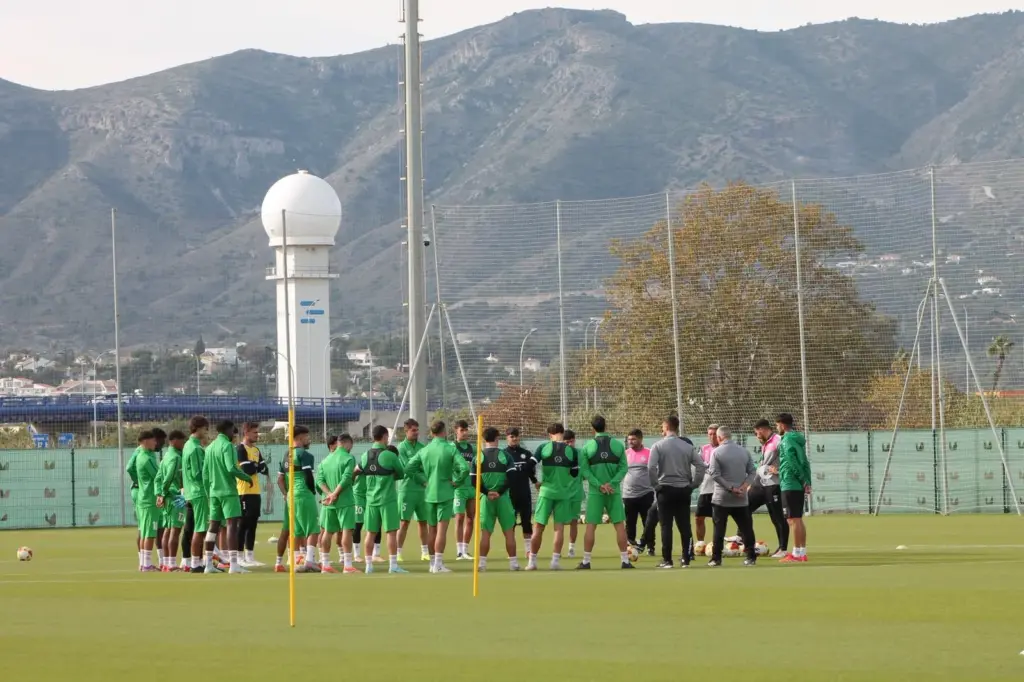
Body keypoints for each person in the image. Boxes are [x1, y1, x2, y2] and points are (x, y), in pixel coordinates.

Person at [405, 420, 469, 573]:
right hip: (445, 492)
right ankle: (438, 564)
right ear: (444, 432)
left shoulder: (425, 450)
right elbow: (465, 468)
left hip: (429, 493)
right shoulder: (450, 449)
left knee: (431, 529)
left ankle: (432, 564)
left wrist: (423, 480)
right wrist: (457, 482)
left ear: (432, 433)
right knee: (441, 530)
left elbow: (408, 468)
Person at [648, 416, 705, 568]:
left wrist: (656, 485)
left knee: (666, 526)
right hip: (683, 490)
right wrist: (694, 485)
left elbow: (651, 467)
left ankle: (667, 560)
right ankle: (686, 559)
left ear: (666, 427)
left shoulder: (658, 446)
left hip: (665, 489)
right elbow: (701, 466)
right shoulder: (687, 446)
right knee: (685, 525)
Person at [577, 416, 632, 570]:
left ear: (592, 429)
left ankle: (586, 561)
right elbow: (624, 468)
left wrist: (599, 485)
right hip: (613, 492)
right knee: (619, 525)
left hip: (596, 492)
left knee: (591, 526)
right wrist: (611, 484)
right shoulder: (618, 445)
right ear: (605, 426)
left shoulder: (587, 447)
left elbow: (585, 471)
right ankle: (625, 561)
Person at [527, 423, 580, 571]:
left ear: (550, 435)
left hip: (546, 492)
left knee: (538, 527)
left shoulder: (543, 447)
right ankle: (555, 561)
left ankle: (532, 562)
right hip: (563, 493)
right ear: (562, 433)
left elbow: (528, 466)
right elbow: (575, 473)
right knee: (559, 528)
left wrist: (535, 481)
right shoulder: (572, 451)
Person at [202, 420, 252, 574]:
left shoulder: (209, 448)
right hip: (228, 492)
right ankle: (234, 565)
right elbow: (231, 468)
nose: (234, 433)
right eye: (233, 430)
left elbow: (205, 474)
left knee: (213, 527)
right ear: (228, 430)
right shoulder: (228, 446)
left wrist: (208, 493)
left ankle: (208, 564)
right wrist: (246, 477)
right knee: (231, 525)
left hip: (213, 492)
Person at [355, 425, 406, 574]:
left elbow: (358, 471)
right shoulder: (390, 456)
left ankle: (368, 566)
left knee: (370, 533)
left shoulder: (365, 456)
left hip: (371, 501)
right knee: (391, 533)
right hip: (387, 500)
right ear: (384, 436)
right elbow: (401, 473)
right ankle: (393, 566)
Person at [706, 426, 757, 567]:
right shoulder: (744, 451)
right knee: (746, 528)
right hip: (741, 497)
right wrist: (744, 487)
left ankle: (716, 558)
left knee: (719, 529)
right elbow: (752, 472)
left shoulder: (717, 452)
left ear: (719, 437)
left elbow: (714, 474)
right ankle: (751, 557)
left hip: (722, 497)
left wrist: (730, 488)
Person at [472, 427, 520, 571]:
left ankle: (482, 564)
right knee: (509, 533)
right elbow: (512, 478)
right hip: (503, 498)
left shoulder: (478, 457)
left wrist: (487, 492)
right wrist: (499, 492)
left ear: (483, 439)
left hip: (485, 500)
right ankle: (513, 564)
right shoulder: (506, 456)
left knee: (485, 533)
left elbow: (474, 481)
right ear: (497, 438)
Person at [315, 434, 358, 574]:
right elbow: (346, 478)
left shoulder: (325, 461)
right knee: (347, 531)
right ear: (347, 443)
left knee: (327, 532)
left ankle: (325, 565)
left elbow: (319, 480)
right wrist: (335, 494)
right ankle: (348, 565)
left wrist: (329, 494)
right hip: (345, 501)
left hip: (329, 502)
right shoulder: (349, 458)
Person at [750, 419, 789, 558]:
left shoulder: (778, 440)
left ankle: (783, 548)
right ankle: (742, 539)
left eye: (757, 433)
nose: (757, 436)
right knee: (744, 508)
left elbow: (789, 457)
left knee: (777, 517)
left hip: (774, 485)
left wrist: (779, 469)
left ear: (762, 429)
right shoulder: (766, 444)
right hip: (760, 484)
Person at [776, 413, 812, 563]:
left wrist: (802, 479)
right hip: (796, 483)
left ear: (782, 425)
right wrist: (807, 480)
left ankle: (796, 554)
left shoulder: (786, 440)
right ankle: (801, 552)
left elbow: (792, 462)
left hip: (789, 482)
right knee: (797, 519)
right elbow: (804, 461)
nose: (777, 428)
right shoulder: (797, 439)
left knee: (792, 520)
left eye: (777, 425)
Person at [288, 425, 322, 573]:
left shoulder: (287, 454)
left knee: (297, 530)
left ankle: (296, 560)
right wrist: (313, 490)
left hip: (291, 494)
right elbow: (308, 476)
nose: (309, 439)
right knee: (313, 528)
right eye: (307, 437)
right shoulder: (305, 454)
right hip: (303, 493)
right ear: (300, 438)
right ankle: (309, 561)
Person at [396, 418, 430, 563]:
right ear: (406, 431)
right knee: (404, 522)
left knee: (423, 522)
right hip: (407, 490)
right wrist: (423, 480)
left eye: (417, 430)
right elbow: (407, 469)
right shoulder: (401, 448)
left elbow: (425, 467)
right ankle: (397, 553)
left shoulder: (423, 447)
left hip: (422, 491)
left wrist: (422, 475)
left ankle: (425, 552)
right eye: (413, 430)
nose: (416, 433)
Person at [236, 421, 268, 567]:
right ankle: (239, 557)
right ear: (246, 433)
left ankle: (250, 557)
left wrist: (254, 465)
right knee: (242, 524)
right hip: (243, 491)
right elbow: (247, 470)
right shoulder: (240, 449)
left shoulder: (255, 450)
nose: (257, 435)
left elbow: (265, 469)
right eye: (255, 432)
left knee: (253, 524)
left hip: (255, 492)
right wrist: (256, 465)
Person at [154, 429, 186, 572]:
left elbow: (158, 478)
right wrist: (163, 492)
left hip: (167, 497)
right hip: (175, 497)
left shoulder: (166, 456)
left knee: (167, 529)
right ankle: (172, 564)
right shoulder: (176, 458)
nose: (183, 444)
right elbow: (169, 478)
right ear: (174, 441)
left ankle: (166, 563)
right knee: (175, 529)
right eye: (182, 441)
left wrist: (159, 494)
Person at [181, 415, 210, 573]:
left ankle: (196, 562)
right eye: (205, 429)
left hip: (190, 492)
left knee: (194, 528)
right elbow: (199, 473)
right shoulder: (196, 449)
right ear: (198, 428)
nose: (206, 432)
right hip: (198, 492)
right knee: (200, 528)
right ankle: (196, 563)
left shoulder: (187, 445)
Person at [504, 427, 538, 557]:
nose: (514, 439)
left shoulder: (526, 454)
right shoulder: (503, 454)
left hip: (524, 493)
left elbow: (530, 472)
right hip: (509, 494)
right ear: (507, 438)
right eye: (512, 436)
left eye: (516, 436)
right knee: (510, 524)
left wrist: (535, 482)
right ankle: (511, 551)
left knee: (526, 522)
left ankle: (528, 550)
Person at [621, 428, 655, 552]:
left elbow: (654, 470)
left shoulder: (649, 453)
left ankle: (650, 546)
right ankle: (631, 547)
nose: (630, 441)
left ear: (640, 439)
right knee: (630, 522)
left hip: (646, 493)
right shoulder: (625, 454)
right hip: (628, 494)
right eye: (629, 439)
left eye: (633, 439)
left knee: (648, 521)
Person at [134, 430, 161, 572]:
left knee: (145, 532)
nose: (155, 442)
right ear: (145, 441)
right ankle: (146, 564)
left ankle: (144, 563)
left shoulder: (141, 455)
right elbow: (158, 476)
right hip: (150, 499)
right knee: (150, 532)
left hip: (143, 498)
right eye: (153, 440)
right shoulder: (146, 458)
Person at [452, 420, 477, 560]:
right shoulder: (452, 447)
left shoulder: (472, 448)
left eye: (466, 430)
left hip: (471, 487)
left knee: (470, 518)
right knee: (459, 517)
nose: (465, 432)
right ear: (456, 431)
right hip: (459, 487)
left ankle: (465, 550)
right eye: (462, 430)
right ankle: (459, 551)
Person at [694, 424, 720, 543]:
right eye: (710, 434)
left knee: (718, 519)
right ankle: (700, 543)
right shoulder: (704, 449)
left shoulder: (724, 449)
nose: (712, 436)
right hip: (706, 489)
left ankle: (717, 544)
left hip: (719, 489)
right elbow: (699, 465)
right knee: (698, 517)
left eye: (715, 434)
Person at [563, 429, 584, 558]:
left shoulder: (581, 454)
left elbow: (585, 472)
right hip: (562, 494)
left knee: (574, 521)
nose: (570, 444)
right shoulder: (559, 455)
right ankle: (557, 549)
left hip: (576, 493)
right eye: (567, 442)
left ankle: (571, 548)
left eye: (572, 441)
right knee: (559, 522)